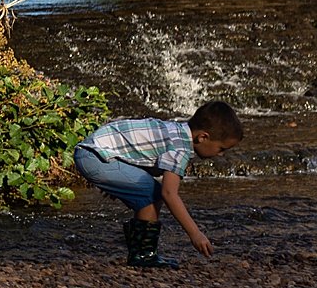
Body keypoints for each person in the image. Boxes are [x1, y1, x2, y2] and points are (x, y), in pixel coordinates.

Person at [73, 100, 243, 269]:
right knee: (152, 194)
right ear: (203, 137)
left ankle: (139, 249)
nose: (221, 155)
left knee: (147, 191)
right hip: (95, 157)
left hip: (94, 152)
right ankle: (143, 255)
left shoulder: (176, 131)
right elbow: (169, 194)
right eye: (221, 149)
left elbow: (137, 153)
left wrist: (118, 181)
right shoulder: (180, 149)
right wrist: (195, 234)